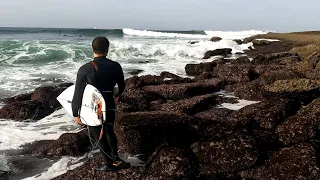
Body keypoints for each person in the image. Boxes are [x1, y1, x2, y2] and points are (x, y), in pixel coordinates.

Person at [71, 36, 129, 171]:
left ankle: (108, 164)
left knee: (98, 134)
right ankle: (115, 157)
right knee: (109, 130)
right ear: (107, 49)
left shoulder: (85, 68)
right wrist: (116, 94)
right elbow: (121, 86)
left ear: (92, 49)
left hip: (94, 106)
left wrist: (76, 112)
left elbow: (78, 92)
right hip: (109, 102)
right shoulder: (115, 66)